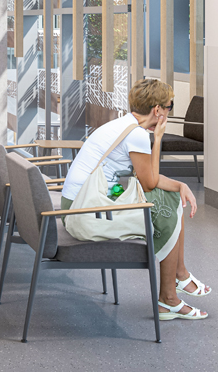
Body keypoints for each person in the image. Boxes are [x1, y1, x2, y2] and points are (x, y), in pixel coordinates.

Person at [60, 78, 208, 321]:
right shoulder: (137, 135)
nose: (169, 112)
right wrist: (158, 139)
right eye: (169, 107)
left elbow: (146, 177)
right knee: (169, 211)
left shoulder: (123, 124)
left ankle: (177, 282)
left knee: (170, 200)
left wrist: (181, 185)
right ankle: (170, 295)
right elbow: (149, 182)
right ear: (157, 110)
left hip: (79, 204)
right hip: (83, 214)